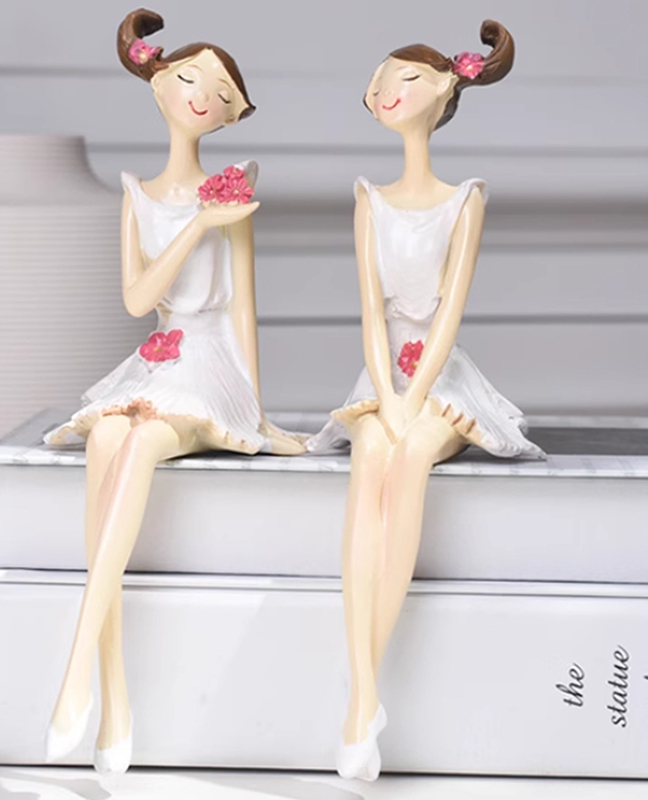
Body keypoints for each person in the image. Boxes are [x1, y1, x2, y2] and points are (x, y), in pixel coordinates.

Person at [44, 8, 303, 775]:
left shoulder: (235, 186)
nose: (202, 95)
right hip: (157, 355)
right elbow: (137, 300)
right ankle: (115, 705)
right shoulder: (140, 194)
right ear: (157, 83)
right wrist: (195, 224)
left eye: (221, 92)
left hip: (211, 359)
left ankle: (74, 676)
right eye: (189, 78)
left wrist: (255, 412)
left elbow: (244, 306)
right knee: (107, 434)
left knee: (141, 442)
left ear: (232, 114)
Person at [306, 20, 545, 781]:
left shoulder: (464, 200)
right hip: (382, 372)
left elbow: (447, 314)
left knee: (409, 456)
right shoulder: (369, 200)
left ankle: (359, 701)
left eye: (403, 79)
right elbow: (369, 311)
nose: (385, 91)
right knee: (370, 454)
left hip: (439, 375)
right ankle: (364, 699)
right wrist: (385, 392)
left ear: (443, 89)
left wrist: (414, 395)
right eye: (380, 82)